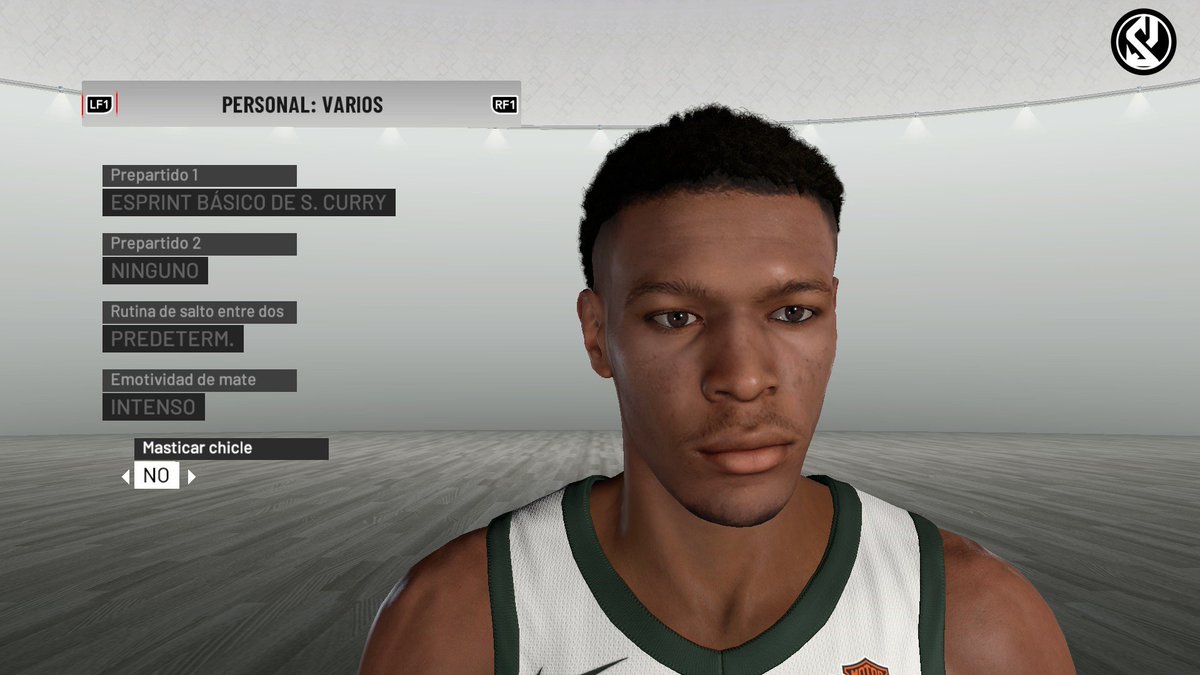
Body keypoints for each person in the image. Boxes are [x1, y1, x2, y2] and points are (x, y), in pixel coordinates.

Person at [360, 104, 1076, 674]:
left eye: (792, 313)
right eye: (676, 317)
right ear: (596, 335)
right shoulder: (458, 624)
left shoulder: (978, 625)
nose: (742, 378)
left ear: (834, 315)